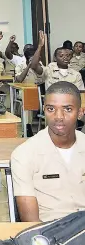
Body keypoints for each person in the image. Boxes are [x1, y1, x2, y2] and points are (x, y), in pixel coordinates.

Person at [12, 81, 85, 222]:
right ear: (44, 110)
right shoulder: (24, 154)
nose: (58, 116)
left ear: (80, 113)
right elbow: (31, 222)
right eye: (51, 109)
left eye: (68, 109)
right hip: (50, 231)